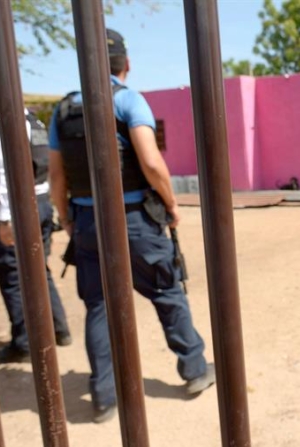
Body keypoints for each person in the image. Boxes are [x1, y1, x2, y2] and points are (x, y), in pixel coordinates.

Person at [47, 29, 215, 424]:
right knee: (167, 293)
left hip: (87, 222)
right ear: (126, 64)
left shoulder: (64, 110)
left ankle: (104, 396)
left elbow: (56, 177)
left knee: (99, 307)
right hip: (134, 219)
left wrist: (68, 217)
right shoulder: (126, 99)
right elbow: (152, 163)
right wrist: (172, 205)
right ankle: (194, 371)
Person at [0, 68, 72, 364]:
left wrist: (6, 219)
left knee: (12, 275)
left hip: (18, 208)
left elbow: (7, 171)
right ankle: (58, 329)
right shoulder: (29, 117)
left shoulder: (0, 121)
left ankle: (24, 342)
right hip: (40, 201)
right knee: (37, 269)